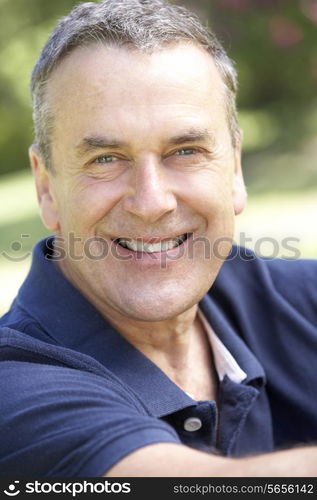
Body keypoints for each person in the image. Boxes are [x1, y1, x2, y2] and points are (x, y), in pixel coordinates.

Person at [0, 0, 316, 478]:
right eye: (105, 158)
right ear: (47, 187)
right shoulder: (14, 383)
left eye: (186, 150)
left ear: (233, 169)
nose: (152, 202)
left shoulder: (298, 301)